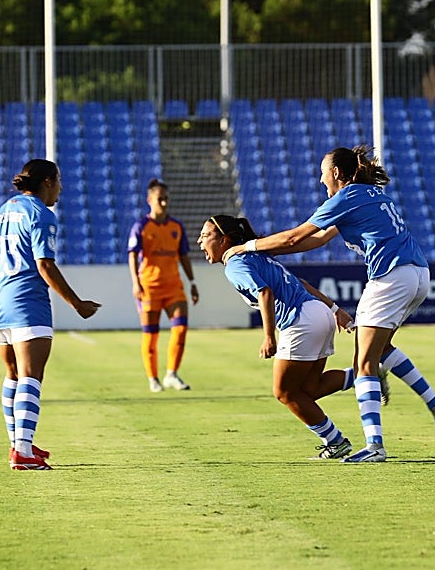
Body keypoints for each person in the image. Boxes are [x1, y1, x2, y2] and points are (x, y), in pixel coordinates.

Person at [222, 144, 435, 463]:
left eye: (322, 174)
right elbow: (315, 240)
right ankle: (434, 404)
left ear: (335, 173)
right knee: (380, 349)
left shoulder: (345, 197)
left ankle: (375, 447)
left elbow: (296, 236)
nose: (321, 181)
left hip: (390, 275)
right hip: (419, 274)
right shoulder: (372, 194)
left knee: (363, 364)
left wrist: (246, 247)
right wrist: (265, 252)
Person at [0, 158, 102, 470]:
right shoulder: (41, 215)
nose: (61, 187)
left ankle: (19, 444)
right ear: (47, 182)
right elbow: (44, 264)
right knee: (31, 374)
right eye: (58, 180)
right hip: (26, 302)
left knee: (13, 375)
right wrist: (77, 304)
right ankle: (22, 451)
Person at [199, 214, 358, 459]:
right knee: (309, 389)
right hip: (318, 312)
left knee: (284, 392)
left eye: (205, 236)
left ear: (224, 240)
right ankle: (366, 376)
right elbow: (301, 282)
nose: (200, 242)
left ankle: (335, 442)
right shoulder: (256, 254)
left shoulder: (234, 264)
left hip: (301, 320)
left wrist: (268, 336)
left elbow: (264, 292)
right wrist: (334, 310)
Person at [127, 178, 199, 392]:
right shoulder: (141, 226)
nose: (165, 203)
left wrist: (192, 282)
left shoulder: (176, 226)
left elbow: (183, 255)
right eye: (160, 199)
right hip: (149, 286)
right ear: (150, 200)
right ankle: (153, 378)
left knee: (181, 327)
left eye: (167, 199)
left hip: (174, 286)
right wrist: (136, 283)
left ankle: (171, 374)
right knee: (151, 333)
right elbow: (132, 255)